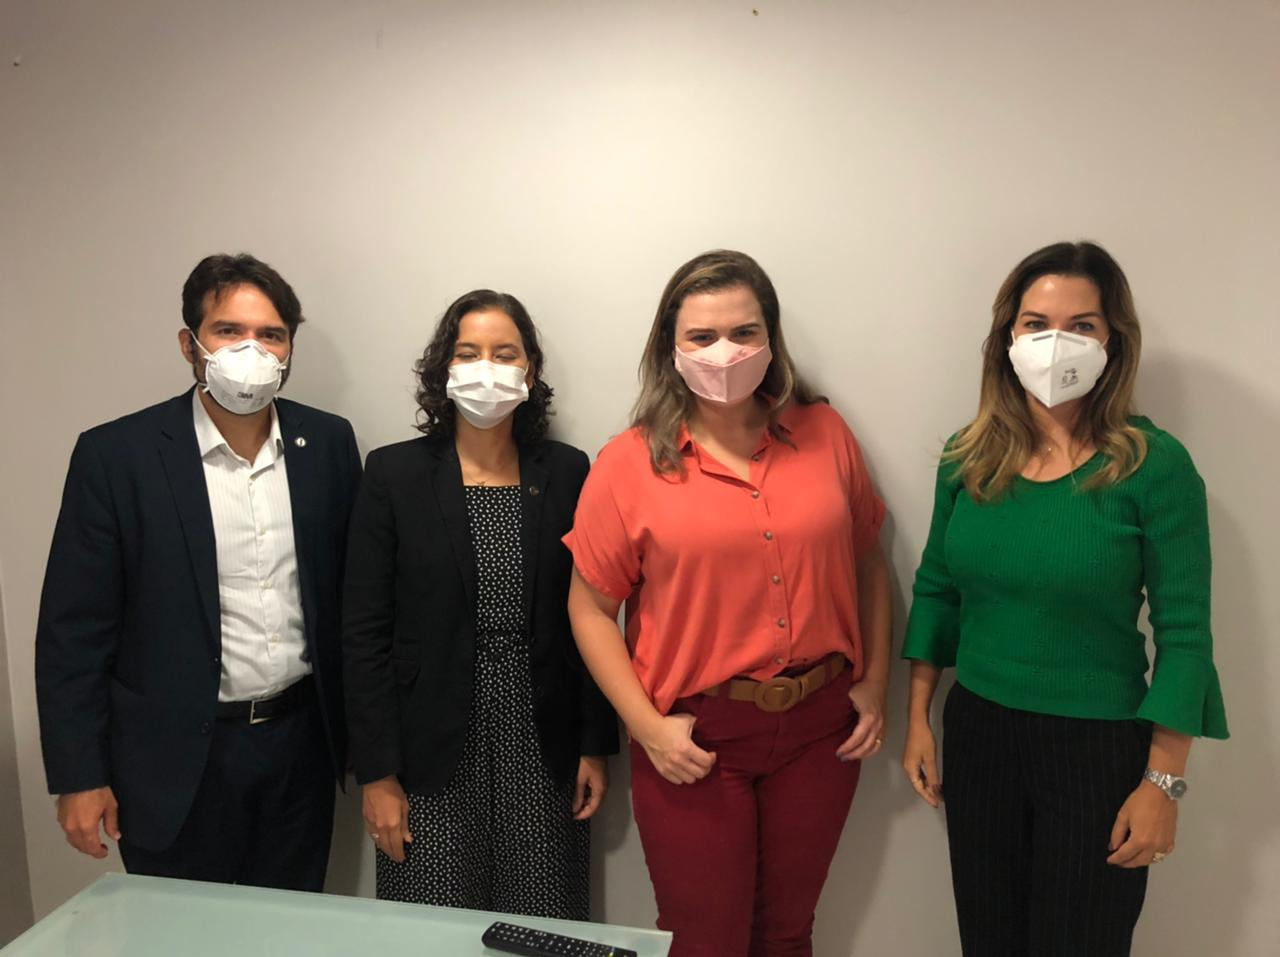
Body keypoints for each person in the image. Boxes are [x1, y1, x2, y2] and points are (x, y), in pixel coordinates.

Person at [900, 240, 1229, 956]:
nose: (1056, 342)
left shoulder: (1154, 466)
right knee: (988, 939)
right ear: (1007, 337)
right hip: (979, 733)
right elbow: (937, 589)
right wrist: (918, 717)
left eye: (1082, 325)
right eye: (1036, 323)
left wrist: (1164, 784)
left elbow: (1185, 637)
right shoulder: (968, 457)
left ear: (1114, 341)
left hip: (1097, 749)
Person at [565, 250, 892, 957]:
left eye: (744, 333)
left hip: (819, 728)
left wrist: (874, 682)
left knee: (788, 932)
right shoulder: (627, 463)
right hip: (694, 738)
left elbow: (869, 560)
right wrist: (649, 729)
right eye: (702, 336)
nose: (725, 352)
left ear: (771, 340)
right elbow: (590, 611)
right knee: (703, 940)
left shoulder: (825, 433)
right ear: (670, 348)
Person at [36, 253, 362, 889]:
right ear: (191, 344)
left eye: (270, 335)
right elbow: (74, 630)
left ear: (289, 350)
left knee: (290, 926)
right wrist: (79, 775)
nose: (251, 350)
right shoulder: (117, 456)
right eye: (228, 331)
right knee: (180, 931)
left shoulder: (327, 443)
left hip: (298, 749)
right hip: (172, 761)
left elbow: (352, 599)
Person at [342, 289, 617, 919]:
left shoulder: (569, 471)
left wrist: (594, 745)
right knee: (431, 926)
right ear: (444, 369)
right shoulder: (393, 475)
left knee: (543, 920)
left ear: (530, 371)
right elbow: (363, 632)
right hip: (426, 747)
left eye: (505, 353)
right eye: (468, 354)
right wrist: (377, 774)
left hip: (543, 739)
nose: (486, 368)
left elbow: (593, 617)